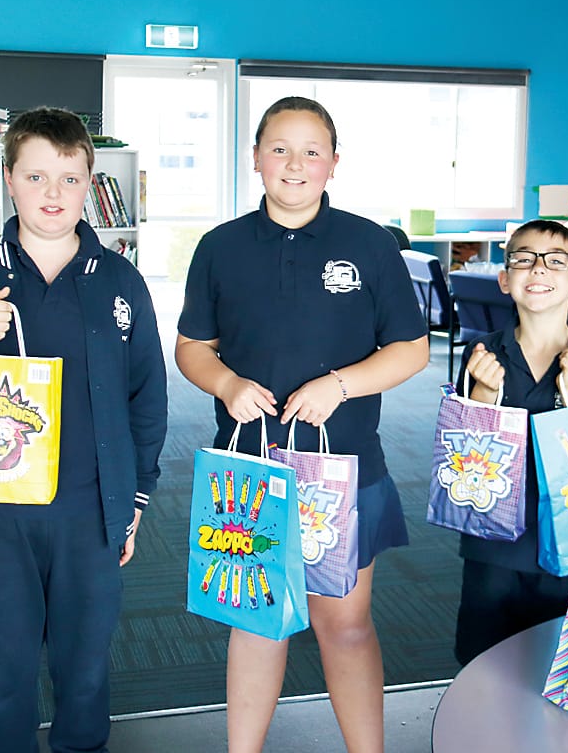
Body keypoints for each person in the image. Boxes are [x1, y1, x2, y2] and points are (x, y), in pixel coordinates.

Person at [0, 107, 167, 753]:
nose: (53, 194)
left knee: (85, 672)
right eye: (36, 176)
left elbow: (146, 399)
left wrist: (135, 498)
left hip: (90, 512)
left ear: (88, 184)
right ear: (8, 179)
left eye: (70, 179)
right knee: (5, 671)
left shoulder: (120, 283)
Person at [176, 96, 428, 753]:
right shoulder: (219, 247)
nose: (295, 163)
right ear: (256, 158)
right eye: (279, 148)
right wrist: (225, 382)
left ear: (334, 163)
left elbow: (411, 348)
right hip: (250, 477)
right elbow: (191, 346)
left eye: (312, 150)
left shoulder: (369, 243)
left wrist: (339, 384)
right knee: (256, 622)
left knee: (343, 625)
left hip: (343, 470)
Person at [452, 219, 568, 666]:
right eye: (524, 259)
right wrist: (485, 396)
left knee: (562, 661)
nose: (539, 270)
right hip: (495, 543)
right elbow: (463, 463)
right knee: (484, 662)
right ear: (505, 280)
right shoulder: (482, 355)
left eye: (556, 261)